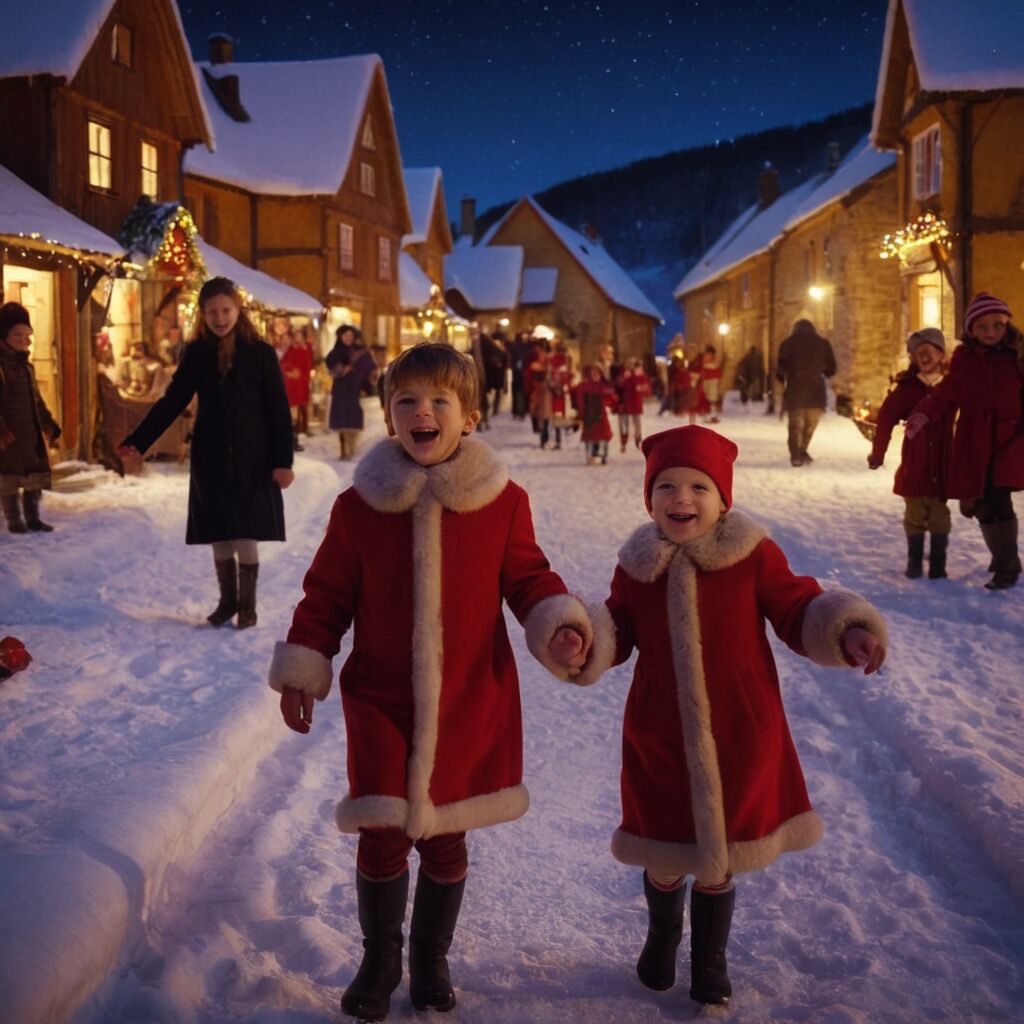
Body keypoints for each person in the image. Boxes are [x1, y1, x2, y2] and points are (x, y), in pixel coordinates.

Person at [267, 342, 592, 1021]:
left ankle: (429, 956)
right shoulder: (359, 509)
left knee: (446, 831)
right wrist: (304, 666)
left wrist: (556, 623)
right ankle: (380, 959)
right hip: (381, 697)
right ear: (388, 418)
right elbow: (326, 595)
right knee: (383, 829)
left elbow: (530, 579)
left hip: (469, 696)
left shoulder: (502, 503)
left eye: (439, 401)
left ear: (469, 416)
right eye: (407, 401)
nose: (423, 412)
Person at [566, 424, 887, 1007]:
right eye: (665, 487)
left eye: (697, 487)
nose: (681, 500)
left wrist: (848, 628)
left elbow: (799, 608)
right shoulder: (638, 563)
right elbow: (618, 627)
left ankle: (710, 958)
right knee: (665, 845)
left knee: (720, 855)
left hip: (739, 727)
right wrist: (586, 642)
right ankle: (663, 931)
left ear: (722, 497)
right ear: (649, 498)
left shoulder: (751, 554)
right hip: (659, 728)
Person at [117, 277, 294, 628]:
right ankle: (227, 602)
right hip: (210, 457)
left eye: (225, 309)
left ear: (238, 308)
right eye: (212, 311)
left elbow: (278, 409)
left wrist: (282, 462)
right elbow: (172, 402)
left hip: (252, 458)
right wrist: (137, 440)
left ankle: (248, 607)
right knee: (219, 531)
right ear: (202, 314)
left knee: (245, 532)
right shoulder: (196, 353)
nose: (219, 317)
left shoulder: (259, 353)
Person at [906, 293, 1024, 589]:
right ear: (972, 330)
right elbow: (946, 395)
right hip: (974, 441)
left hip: (1009, 439)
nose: (990, 333)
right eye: (982, 327)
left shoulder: (1018, 356)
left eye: (997, 325)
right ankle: (1001, 556)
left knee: (998, 498)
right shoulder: (963, 361)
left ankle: (1007, 565)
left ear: (1006, 324)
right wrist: (922, 414)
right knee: (979, 504)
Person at [867, 328, 953, 579]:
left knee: (939, 516)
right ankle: (914, 561)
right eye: (919, 353)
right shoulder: (907, 389)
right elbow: (886, 418)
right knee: (914, 514)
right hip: (915, 464)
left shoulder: (951, 387)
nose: (925, 357)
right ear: (913, 358)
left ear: (940, 355)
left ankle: (938, 564)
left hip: (943, 464)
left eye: (931, 351)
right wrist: (878, 452)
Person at [0, 302, 61, 533]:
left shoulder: (27, 366)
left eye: (27, 335)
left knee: (33, 475)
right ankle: (14, 520)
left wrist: (48, 423)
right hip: (9, 435)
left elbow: (36, 401)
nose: (24, 339)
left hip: (30, 432)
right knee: (9, 478)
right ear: (4, 335)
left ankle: (33, 516)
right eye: (18, 334)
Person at [775, 318, 837, 466]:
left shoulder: (788, 343)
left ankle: (796, 455)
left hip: (796, 390)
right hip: (816, 391)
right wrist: (821, 372)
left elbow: (780, 370)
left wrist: (786, 379)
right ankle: (802, 450)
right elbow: (832, 369)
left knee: (795, 425)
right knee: (810, 424)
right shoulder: (823, 344)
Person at [326, 324, 377, 460]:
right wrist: (342, 369)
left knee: (353, 418)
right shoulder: (335, 353)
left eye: (350, 336)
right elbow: (331, 367)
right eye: (345, 336)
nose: (348, 338)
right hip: (340, 390)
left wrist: (362, 372)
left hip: (354, 389)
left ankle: (352, 446)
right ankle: (343, 449)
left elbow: (370, 366)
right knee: (341, 419)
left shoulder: (359, 352)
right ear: (340, 337)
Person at [574, 363, 616, 464]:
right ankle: (590, 455)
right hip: (589, 415)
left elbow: (611, 397)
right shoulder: (584, 386)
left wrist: (612, 404)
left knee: (603, 436)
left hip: (601, 415)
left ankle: (602, 455)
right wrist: (581, 412)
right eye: (593, 373)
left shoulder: (604, 386)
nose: (595, 376)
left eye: (597, 373)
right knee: (590, 436)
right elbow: (579, 399)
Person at [616, 357, 651, 452]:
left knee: (637, 423)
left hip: (634, 401)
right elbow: (619, 386)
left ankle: (638, 440)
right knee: (625, 424)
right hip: (625, 402)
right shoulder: (624, 374)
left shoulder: (638, 374)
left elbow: (645, 385)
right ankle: (624, 443)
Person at [699, 345, 723, 422]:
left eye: (709, 355)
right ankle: (707, 415)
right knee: (706, 398)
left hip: (713, 381)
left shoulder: (715, 363)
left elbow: (718, 372)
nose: (707, 357)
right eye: (707, 355)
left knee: (712, 399)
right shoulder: (703, 362)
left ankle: (712, 415)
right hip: (706, 382)